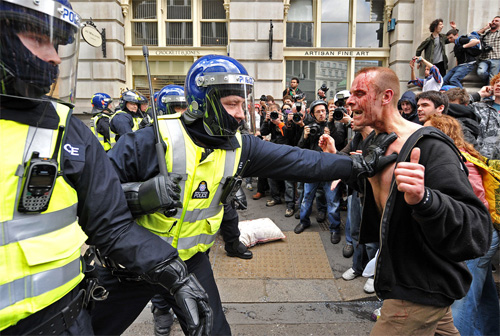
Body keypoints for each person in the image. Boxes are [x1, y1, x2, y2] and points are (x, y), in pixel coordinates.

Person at [92, 55, 397, 336]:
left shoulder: (241, 145)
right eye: (232, 104)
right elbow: (96, 205)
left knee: (214, 331)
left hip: (189, 262)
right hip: (130, 267)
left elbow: (302, 161)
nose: (240, 114)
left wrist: (357, 164)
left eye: (242, 103)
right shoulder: (148, 140)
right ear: (204, 102)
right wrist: (139, 196)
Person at [0, 0, 212, 334]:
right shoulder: (118, 122)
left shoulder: (67, 129)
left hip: (66, 321)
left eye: (56, 44)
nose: (55, 57)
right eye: (37, 39)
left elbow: (110, 223)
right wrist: (139, 192)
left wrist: (175, 274)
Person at [344, 66, 491, 335]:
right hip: (409, 278)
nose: (350, 101)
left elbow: (477, 226)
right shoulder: (375, 141)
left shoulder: (431, 146)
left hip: (420, 286)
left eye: (360, 93)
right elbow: (377, 192)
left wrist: (425, 198)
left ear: (386, 96)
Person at [424, 114, 499, 336]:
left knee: (462, 298)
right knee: (483, 293)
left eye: (428, 132)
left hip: (475, 234)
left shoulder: (459, 160)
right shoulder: (457, 156)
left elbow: (477, 205)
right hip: (480, 233)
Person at [295, 100, 342, 245]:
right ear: (313, 114)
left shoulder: (335, 125)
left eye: (323, 111)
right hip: (313, 169)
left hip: (330, 169)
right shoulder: (309, 127)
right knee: (307, 198)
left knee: (333, 201)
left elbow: (340, 143)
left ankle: (334, 228)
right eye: (318, 112)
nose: (322, 114)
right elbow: (300, 147)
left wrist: (331, 130)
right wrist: (305, 136)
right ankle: (304, 221)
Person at [470, 72, 500, 160]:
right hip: (482, 159)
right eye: (496, 82)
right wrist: (479, 94)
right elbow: (452, 105)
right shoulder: (479, 107)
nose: (498, 85)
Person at [476, 16, 500, 84]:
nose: (494, 22)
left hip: (496, 58)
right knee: (481, 72)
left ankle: (490, 93)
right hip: (484, 58)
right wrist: (486, 27)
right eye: (493, 21)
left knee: (493, 78)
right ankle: (487, 81)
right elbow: (475, 35)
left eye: (496, 21)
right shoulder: (486, 32)